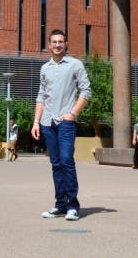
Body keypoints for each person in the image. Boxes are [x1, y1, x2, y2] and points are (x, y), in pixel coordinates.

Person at [31, 29, 92, 221]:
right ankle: (60, 204)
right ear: (49, 45)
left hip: (65, 122)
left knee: (66, 161)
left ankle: (73, 205)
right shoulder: (45, 69)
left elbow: (86, 92)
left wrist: (73, 113)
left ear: (66, 44)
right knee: (55, 164)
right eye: (54, 42)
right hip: (47, 122)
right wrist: (36, 122)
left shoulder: (75, 65)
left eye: (61, 42)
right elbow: (41, 96)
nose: (57, 45)